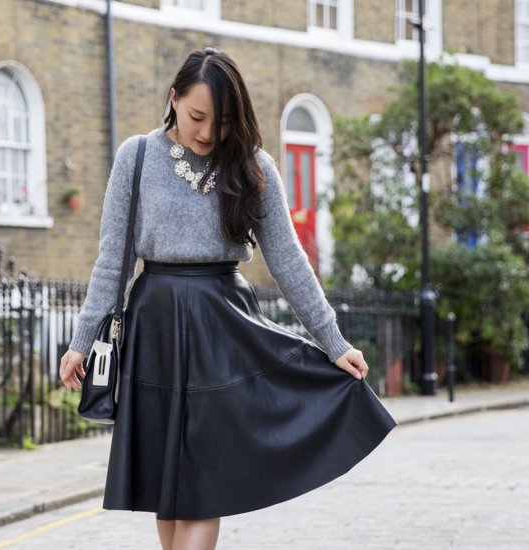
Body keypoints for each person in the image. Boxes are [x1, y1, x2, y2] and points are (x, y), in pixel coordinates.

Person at [60, 47, 396, 550]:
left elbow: (288, 262)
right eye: (197, 117)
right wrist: (80, 342)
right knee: (168, 488)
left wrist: (334, 342)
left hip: (221, 330)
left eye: (220, 123)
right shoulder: (136, 157)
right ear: (173, 99)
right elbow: (112, 262)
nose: (207, 133)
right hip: (156, 328)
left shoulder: (252, 167)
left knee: (201, 483)